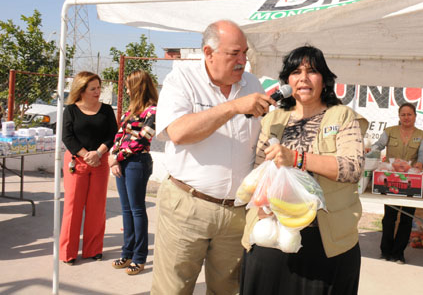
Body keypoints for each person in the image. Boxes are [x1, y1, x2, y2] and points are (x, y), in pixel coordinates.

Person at [151, 20, 275, 294]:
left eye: (245, 52)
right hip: (188, 207)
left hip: (236, 212)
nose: (243, 60)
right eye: (234, 53)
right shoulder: (182, 79)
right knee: (173, 288)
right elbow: (179, 132)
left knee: (227, 290)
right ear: (208, 52)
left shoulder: (252, 83)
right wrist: (232, 107)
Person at [240, 45, 368, 294]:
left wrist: (297, 158)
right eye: (296, 71)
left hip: (325, 242)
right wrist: (262, 206)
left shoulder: (342, 116)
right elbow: (258, 171)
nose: (303, 78)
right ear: (287, 80)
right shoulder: (272, 119)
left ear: (324, 79)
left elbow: (352, 168)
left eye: (312, 71)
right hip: (273, 236)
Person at [60, 71, 118, 265]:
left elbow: (112, 135)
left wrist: (98, 153)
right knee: (73, 208)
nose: (97, 92)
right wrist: (86, 155)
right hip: (77, 163)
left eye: (98, 88)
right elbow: (67, 137)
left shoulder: (107, 110)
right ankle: (68, 252)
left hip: (100, 162)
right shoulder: (70, 110)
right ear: (81, 90)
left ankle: (93, 250)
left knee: (97, 207)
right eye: (93, 88)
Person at [109, 70, 158, 275]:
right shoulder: (130, 111)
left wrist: (117, 157)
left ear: (138, 87)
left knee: (137, 210)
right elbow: (120, 134)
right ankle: (127, 252)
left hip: (137, 163)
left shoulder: (153, 111)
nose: (126, 89)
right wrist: (114, 157)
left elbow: (143, 139)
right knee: (126, 210)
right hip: (122, 162)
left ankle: (139, 257)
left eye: (129, 85)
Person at [368, 103, 423, 264]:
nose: (406, 117)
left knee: (406, 218)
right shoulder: (390, 132)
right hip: (391, 180)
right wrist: (370, 150)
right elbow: (379, 145)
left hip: (411, 182)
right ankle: (385, 251)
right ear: (399, 116)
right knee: (389, 217)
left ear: (415, 116)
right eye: (403, 114)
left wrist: (419, 165)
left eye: (409, 114)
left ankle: (398, 253)